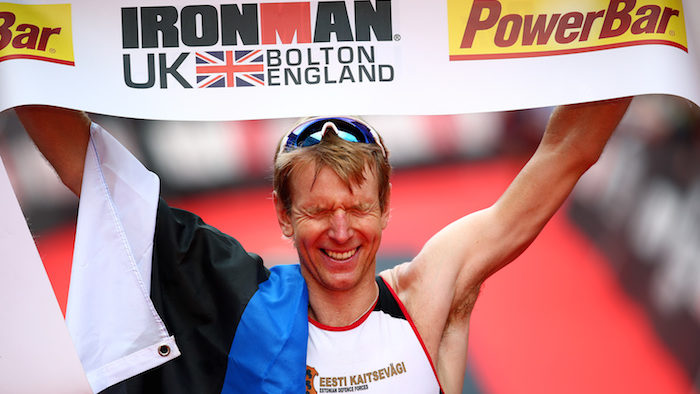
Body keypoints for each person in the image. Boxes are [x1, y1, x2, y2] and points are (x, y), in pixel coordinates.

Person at [15, 98, 631, 394]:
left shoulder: (428, 296)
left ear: (386, 209)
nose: (341, 232)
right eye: (318, 211)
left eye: (359, 208)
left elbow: (564, 154)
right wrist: (25, 56)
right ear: (283, 215)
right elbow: (94, 174)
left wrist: (635, 49)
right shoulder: (239, 302)